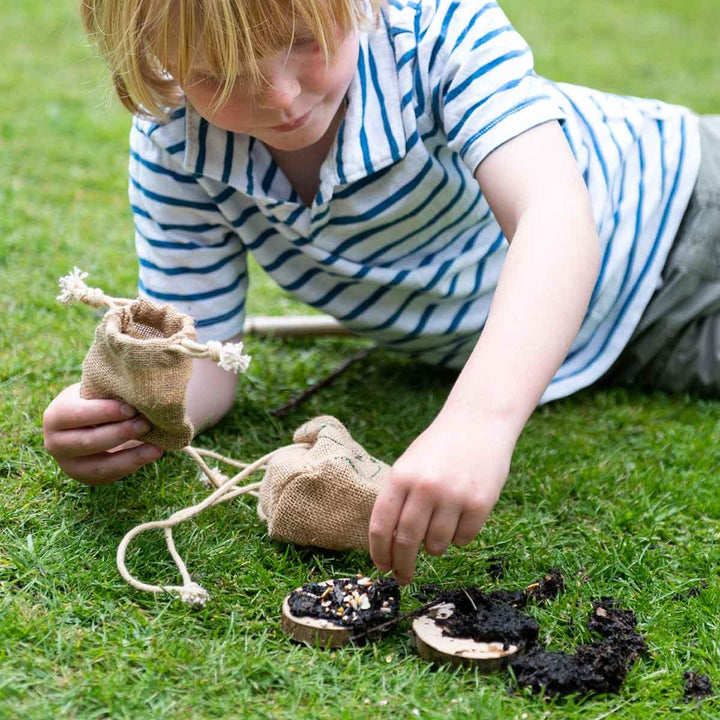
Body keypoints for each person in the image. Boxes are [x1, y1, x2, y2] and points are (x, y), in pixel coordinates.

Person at [43, 0, 718, 586]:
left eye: (305, 39)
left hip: (684, 202)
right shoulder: (175, 140)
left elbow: (554, 216)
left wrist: (477, 422)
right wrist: (130, 411)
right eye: (217, 73)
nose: (279, 95)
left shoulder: (434, 31)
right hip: (628, 341)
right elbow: (205, 363)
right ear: (150, 57)